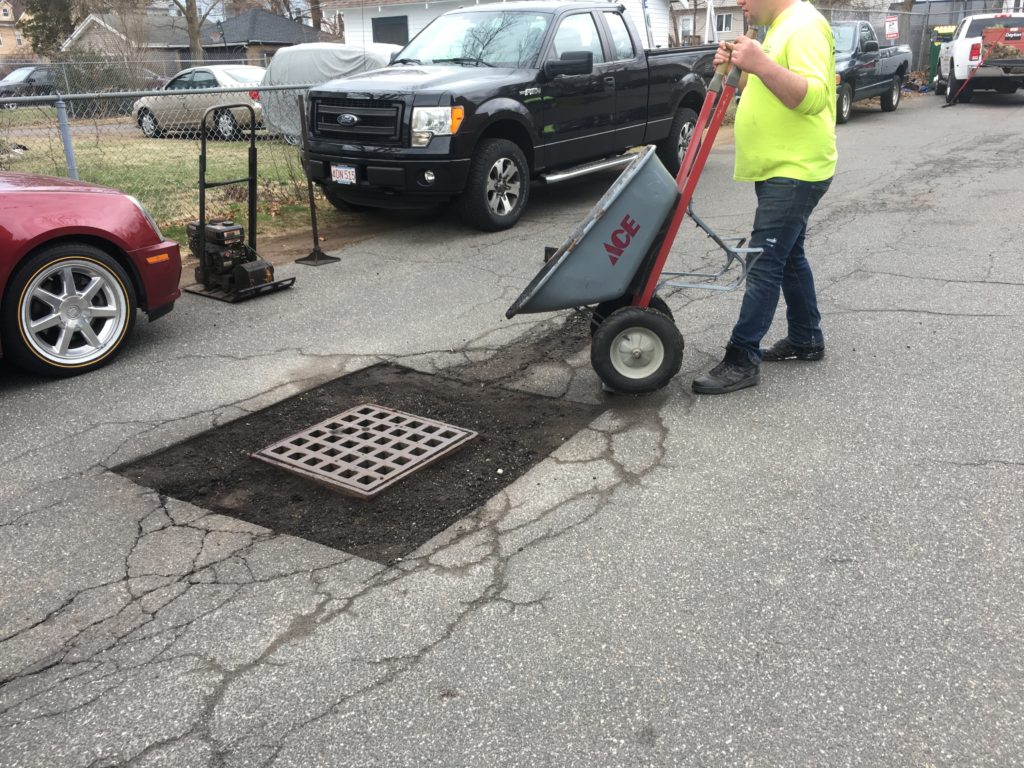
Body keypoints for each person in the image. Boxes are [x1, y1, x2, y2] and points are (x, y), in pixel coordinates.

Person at [691, 0, 837, 395]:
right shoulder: (781, 27)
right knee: (789, 256)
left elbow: (813, 98)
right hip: (780, 167)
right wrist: (738, 69)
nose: (739, 2)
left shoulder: (805, 25)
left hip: (795, 169)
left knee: (765, 262)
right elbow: (763, 86)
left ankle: (742, 358)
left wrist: (761, 62)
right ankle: (807, 339)